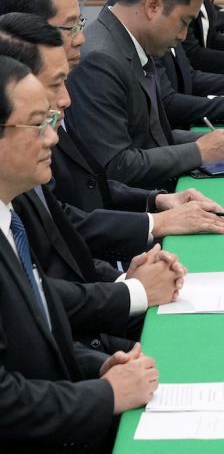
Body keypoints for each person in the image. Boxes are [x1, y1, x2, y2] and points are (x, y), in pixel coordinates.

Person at [0, 55, 159, 452]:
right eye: (38, 124)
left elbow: (37, 339)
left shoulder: (10, 217)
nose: (52, 137)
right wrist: (105, 395)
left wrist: (99, 368)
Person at [0, 0, 224, 230]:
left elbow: (88, 185)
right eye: (70, 27)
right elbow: (69, 210)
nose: (81, 38)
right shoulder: (97, 60)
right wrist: (153, 223)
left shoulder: (81, 70)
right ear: (31, 30)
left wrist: (156, 201)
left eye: (80, 23)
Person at [66, 0, 224, 190]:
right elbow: (114, 167)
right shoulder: (99, 60)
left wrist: (220, 141)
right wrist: (198, 152)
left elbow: (150, 139)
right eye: (183, 22)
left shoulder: (129, 42)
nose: (182, 36)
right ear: (153, 6)